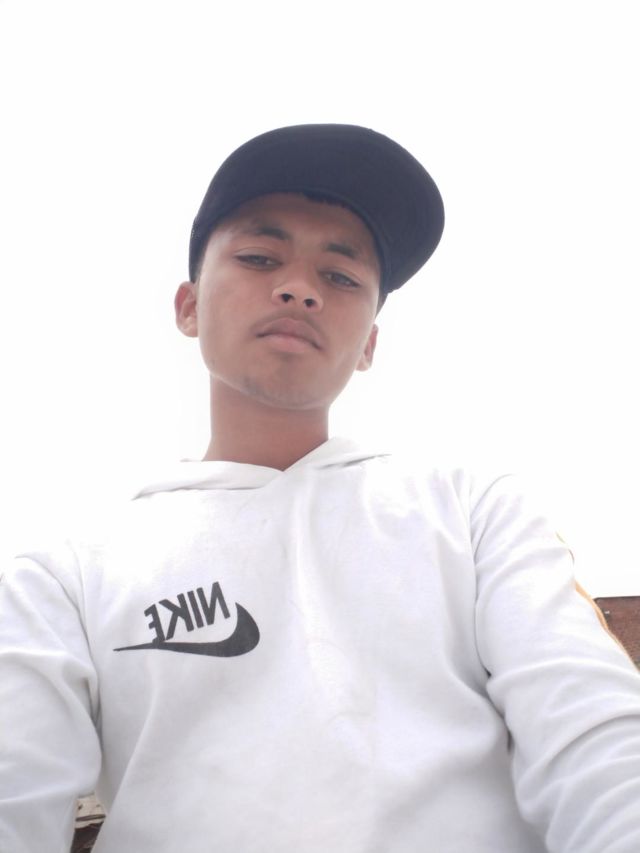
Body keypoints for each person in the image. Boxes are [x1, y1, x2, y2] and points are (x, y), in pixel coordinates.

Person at [1, 124, 639, 853]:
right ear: (187, 306)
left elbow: (595, 734)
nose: (299, 287)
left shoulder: (473, 512)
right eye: (259, 257)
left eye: (340, 276)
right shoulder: (64, 577)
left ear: (369, 343)